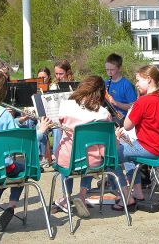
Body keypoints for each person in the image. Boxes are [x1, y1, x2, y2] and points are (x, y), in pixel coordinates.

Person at [0, 71, 53, 233]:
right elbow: (23, 142)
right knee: (23, 169)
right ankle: (11, 207)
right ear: (2, 91)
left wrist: (17, 120)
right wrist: (41, 129)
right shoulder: (2, 114)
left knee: (0, 177)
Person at [112, 65, 159, 211]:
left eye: (138, 80)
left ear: (149, 79)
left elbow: (126, 126)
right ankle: (137, 191)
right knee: (128, 153)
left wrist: (135, 107)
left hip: (148, 147)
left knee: (110, 156)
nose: (136, 84)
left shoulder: (143, 101)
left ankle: (126, 196)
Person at [52, 75, 112, 218]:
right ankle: (82, 195)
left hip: (69, 160)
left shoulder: (66, 105)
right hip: (94, 162)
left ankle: (66, 197)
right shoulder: (104, 113)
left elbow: (60, 129)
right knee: (89, 155)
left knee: (68, 154)